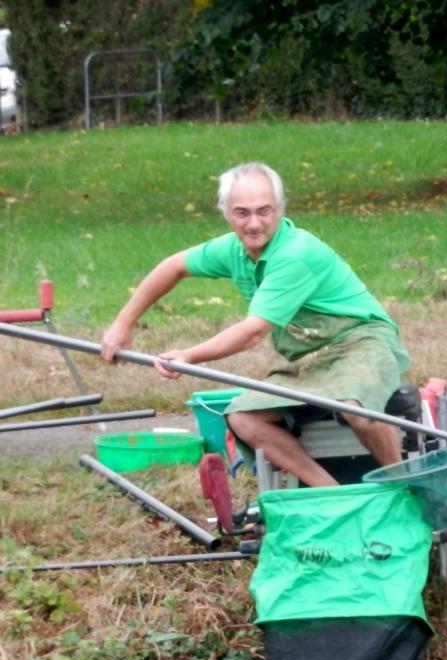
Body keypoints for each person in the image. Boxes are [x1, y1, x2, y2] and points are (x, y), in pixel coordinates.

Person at [101, 161, 411, 487]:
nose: (254, 223)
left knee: (356, 409)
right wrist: (123, 324)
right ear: (225, 213)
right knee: (243, 418)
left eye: (264, 211)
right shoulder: (233, 249)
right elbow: (174, 266)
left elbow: (253, 332)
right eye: (242, 213)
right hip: (311, 359)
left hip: (362, 341)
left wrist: (189, 355)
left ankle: (410, 488)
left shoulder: (295, 254)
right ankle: (332, 494)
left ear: (280, 209)